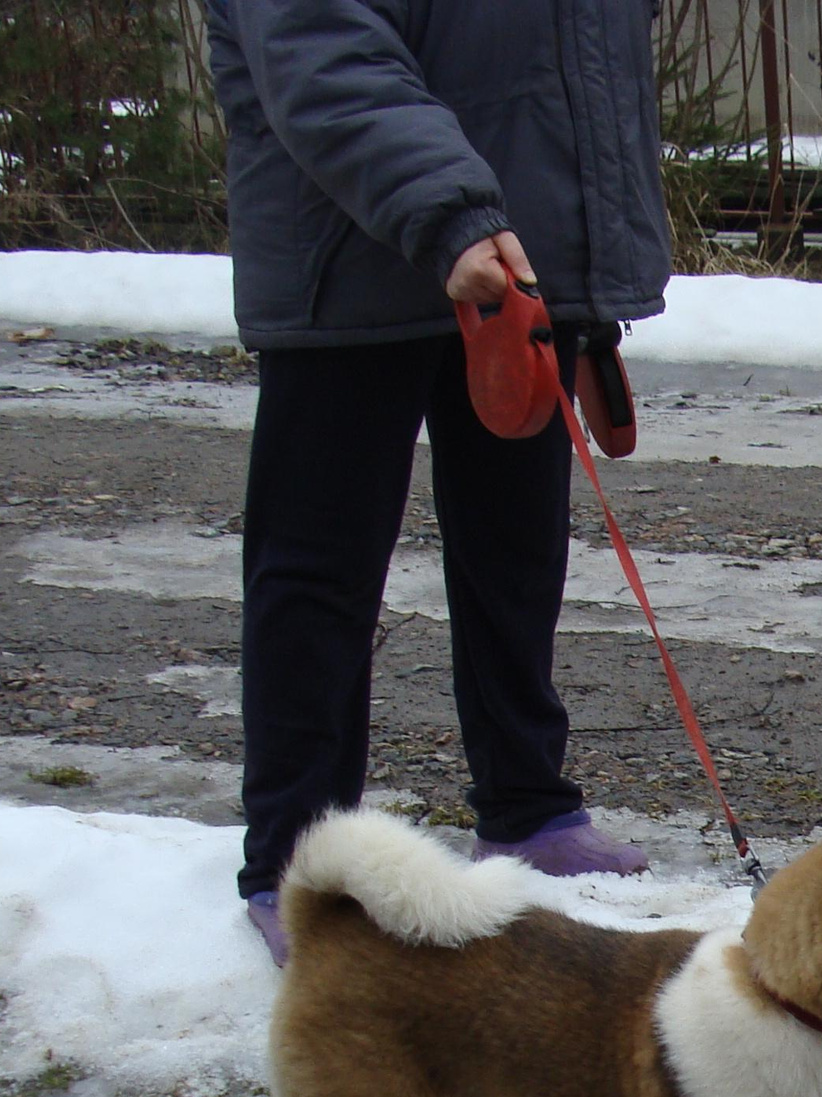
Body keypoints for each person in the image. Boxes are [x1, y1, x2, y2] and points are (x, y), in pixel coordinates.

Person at [207, 0, 671, 961]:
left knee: (518, 553)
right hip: (349, 260)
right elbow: (318, 45)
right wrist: (451, 208)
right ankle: (302, 862)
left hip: (517, 267)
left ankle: (527, 806)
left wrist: (583, 274)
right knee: (318, 577)